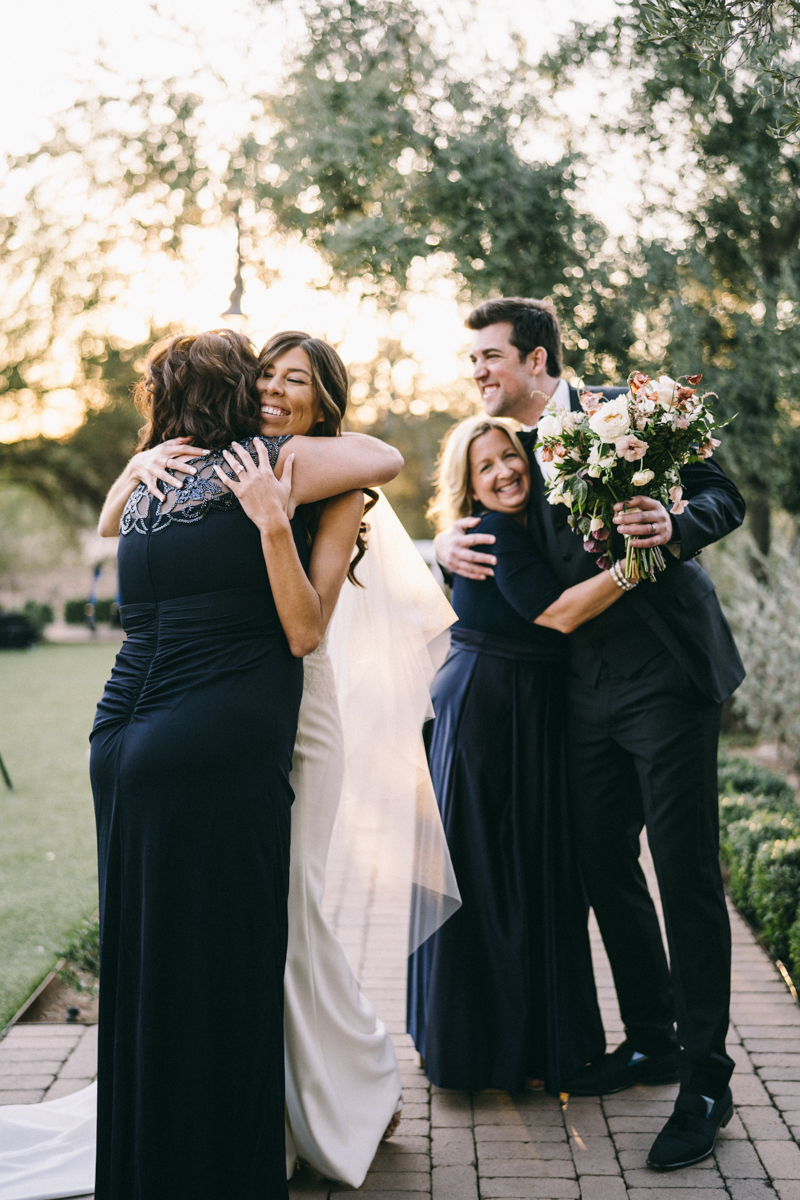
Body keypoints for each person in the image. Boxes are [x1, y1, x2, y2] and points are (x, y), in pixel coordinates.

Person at [90, 328, 403, 1200]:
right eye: (264, 375)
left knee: (289, 911)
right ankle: (300, 1105)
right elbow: (112, 525)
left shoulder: (312, 470)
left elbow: (313, 622)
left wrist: (272, 512)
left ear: (320, 403)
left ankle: (328, 1098)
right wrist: (130, 471)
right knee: (277, 923)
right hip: (230, 687)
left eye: (296, 382)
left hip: (300, 693)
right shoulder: (209, 464)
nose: (274, 391)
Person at [434, 297, 746, 1170]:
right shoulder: (499, 456)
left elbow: (726, 495)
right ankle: (649, 1038)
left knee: (684, 872)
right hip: (578, 692)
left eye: (490, 358)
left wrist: (674, 527)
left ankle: (708, 1079)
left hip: (667, 677)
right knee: (601, 862)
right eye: (474, 364)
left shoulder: (629, 412)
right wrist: (442, 550)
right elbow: (479, 531)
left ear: (537, 360)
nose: (480, 375)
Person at [408, 413, 638, 1093]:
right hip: (497, 707)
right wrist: (642, 562)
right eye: (487, 466)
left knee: (501, 866)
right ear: (469, 485)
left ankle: (491, 1041)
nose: (505, 471)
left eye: (511, 456)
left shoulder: (516, 526)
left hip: (505, 699)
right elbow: (558, 611)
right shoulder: (500, 531)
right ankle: (501, 1050)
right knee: (498, 870)